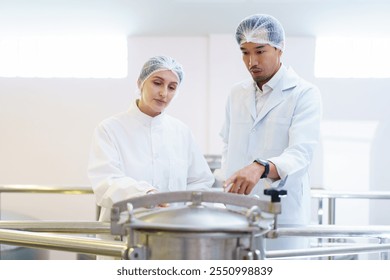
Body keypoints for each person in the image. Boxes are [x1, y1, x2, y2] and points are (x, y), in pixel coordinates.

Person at [220, 14, 322, 251]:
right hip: (237, 210)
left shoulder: (304, 93)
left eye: (260, 51)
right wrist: (227, 182)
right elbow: (227, 143)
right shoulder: (237, 93)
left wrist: (261, 167)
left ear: (279, 49)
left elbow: (301, 153)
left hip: (283, 213)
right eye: (245, 52)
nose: (251, 61)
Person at [88, 55, 214, 225]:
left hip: (173, 232)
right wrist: (145, 195)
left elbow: (200, 180)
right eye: (157, 83)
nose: (164, 93)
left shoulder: (181, 132)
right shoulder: (110, 129)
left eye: (172, 87)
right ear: (140, 83)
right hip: (124, 231)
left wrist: (184, 210)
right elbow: (105, 181)